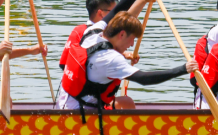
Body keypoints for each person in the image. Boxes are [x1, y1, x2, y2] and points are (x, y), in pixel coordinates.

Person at [59, 12, 197, 124]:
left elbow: (117, 9)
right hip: (82, 113)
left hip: (67, 100)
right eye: (132, 39)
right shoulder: (112, 58)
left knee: (126, 102)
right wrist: (183, 69)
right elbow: (144, 79)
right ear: (122, 34)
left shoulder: (93, 33)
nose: (132, 44)